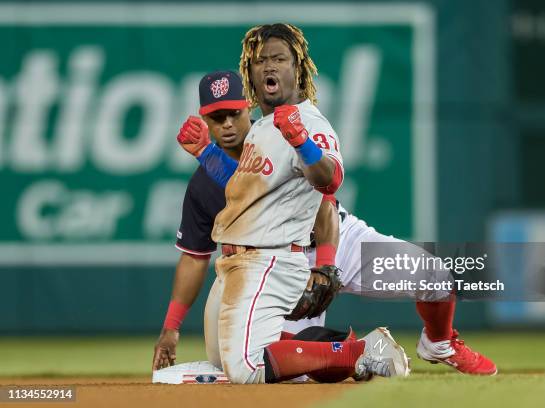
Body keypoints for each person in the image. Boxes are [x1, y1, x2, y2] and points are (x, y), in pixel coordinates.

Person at [154, 24, 409, 384]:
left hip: (299, 249)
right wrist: (207, 154)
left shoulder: (289, 124)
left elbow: (327, 191)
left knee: (249, 368)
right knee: (246, 360)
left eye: (234, 113)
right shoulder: (260, 136)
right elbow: (246, 189)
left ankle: (371, 350)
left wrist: (325, 265)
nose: (227, 124)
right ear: (205, 119)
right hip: (254, 260)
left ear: (249, 105)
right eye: (217, 117)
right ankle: (352, 353)